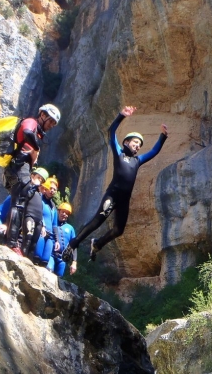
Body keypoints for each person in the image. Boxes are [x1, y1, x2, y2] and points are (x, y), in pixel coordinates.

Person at [62, 105, 168, 262]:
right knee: (97, 221)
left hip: (124, 200)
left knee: (119, 230)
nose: (138, 146)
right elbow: (111, 132)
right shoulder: (119, 153)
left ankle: (97, 244)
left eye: (140, 145)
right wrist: (121, 116)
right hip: (112, 195)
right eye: (135, 142)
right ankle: (73, 243)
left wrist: (163, 136)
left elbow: (153, 152)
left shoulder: (137, 160)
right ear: (126, 142)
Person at [4, 104, 61, 252]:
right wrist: (36, 148)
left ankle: (12, 241)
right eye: (50, 121)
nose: (50, 125)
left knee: (20, 201)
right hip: (18, 165)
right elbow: (28, 131)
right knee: (19, 203)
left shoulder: (38, 131)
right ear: (42, 114)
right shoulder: (31, 121)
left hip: (20, 167)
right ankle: (11, 243)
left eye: (53, 124)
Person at [9, 167, 50, 257]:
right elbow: (25, 196)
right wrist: (33, 185)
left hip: (38, 219)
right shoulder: (28, 186)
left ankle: (29, 261)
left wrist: (43, 224)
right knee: (27, 238)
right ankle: (22, 257)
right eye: (38, 177)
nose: (40, 181)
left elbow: (40, 210)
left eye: (41, 180)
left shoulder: (39, 192)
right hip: (29, 216)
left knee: (34, 244)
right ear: (32, 175)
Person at [32, 178, 59, 267]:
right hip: (41, 231)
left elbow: (55, 225)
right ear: (46, 187)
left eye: (54, 189)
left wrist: (57, 240)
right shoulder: (39, 199)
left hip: (50, 235)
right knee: (37, 257)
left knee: (44, 261)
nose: (52, 191)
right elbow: (38, 213)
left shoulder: (53, 206)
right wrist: (42, 226)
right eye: (51, 188)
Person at [52, 202, 78, 276]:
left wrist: (74, 262)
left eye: (66, 213)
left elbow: (74, 246)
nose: (64, 214)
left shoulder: (70, 228)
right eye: (63, 212)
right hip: (51, 254)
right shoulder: (52, 223)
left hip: (62, 259)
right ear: (58, 211)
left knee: (59, 278)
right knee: (48, 269)